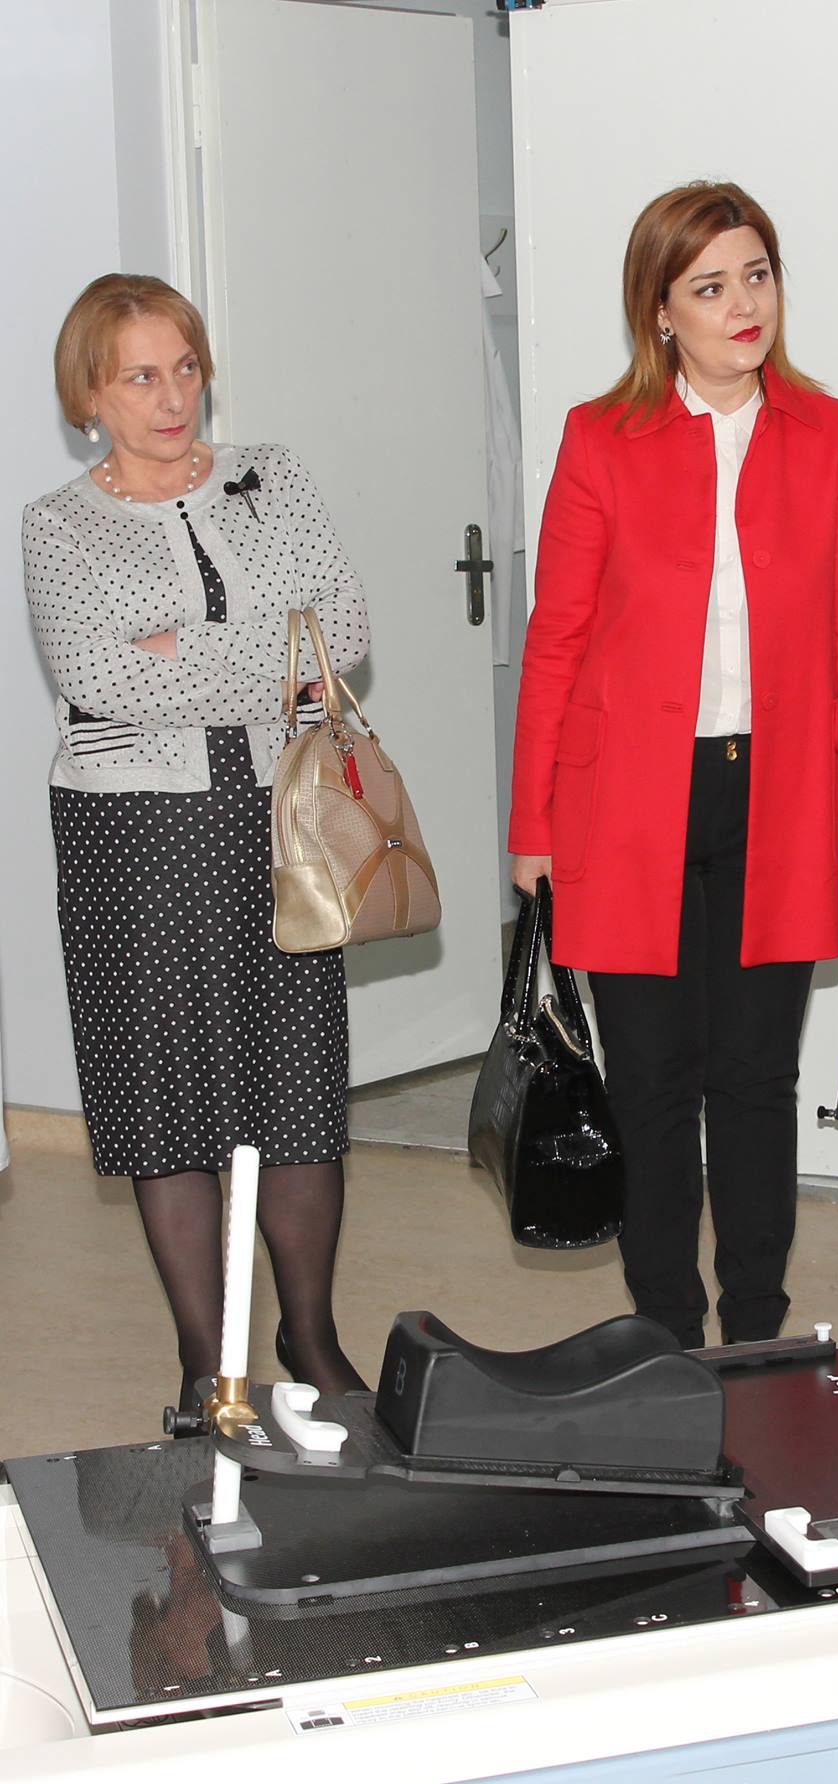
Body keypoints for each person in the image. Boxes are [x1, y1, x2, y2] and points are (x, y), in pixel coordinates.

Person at [510, 182, 838, 1351]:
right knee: (650, 1081)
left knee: (753, 1077)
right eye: (712, 285)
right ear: (660, 311)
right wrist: (532, 821)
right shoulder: (601, 437)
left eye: (758, 275)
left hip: (780, 794)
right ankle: (664, 1332)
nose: (745, 305)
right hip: (627, 803)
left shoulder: (828, 432)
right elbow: (555, 640)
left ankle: (758, 1330)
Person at [23, 274, 371, 1412]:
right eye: (140, 377)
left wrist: (181, 652)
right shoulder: (57, 525)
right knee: (163, 1094)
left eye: (185, 368)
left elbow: (341, 638)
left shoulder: (273, 478)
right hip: (130, 831)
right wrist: (264, 652)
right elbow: (98, 678)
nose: (173, 398)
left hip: (277, 817)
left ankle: (312, 1340)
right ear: (89, 395)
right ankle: (206, 1361)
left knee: (297, 1085)